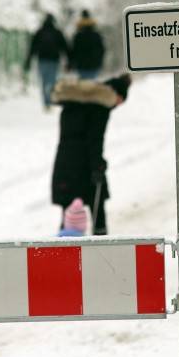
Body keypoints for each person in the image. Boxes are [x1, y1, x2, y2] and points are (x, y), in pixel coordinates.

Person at [50, 73, 132, 236]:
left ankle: (63, 249)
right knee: (97, 208)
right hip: (85, 164)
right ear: (116, 95)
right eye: (120, 101)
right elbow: (94, 140)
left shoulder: (71, 102)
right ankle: (101, 244)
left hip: (65, 162)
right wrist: (98, 167)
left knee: (68, 211)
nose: (117, 105)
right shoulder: (99, 107)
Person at [25, 14, 69, 111]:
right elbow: (64, 47)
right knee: (53, 81)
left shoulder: (40, 32)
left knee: (44, 81)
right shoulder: (57, 33)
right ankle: (52, 99)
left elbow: (33, 47)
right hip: (54, 60)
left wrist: (28, 61)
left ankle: (46, 102)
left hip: (42, 60)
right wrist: (69, 61)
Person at [69, 10, 106, 80]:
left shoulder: (78, 36)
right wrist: (100, 62)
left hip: (81, 65)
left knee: (83, 85)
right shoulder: (96, 35)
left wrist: (72, 63)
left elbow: (73, 50)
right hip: (94, 64)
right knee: (92, 85)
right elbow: (102, 50)